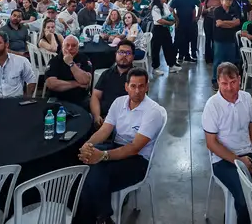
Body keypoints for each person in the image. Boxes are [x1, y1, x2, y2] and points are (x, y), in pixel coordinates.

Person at [76, 68, 165, 224]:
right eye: (133, 86)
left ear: (147, 87)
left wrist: (103, 156)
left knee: (94, 171)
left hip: (138, 161)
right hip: (115, 146)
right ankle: (101, 216)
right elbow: (104, 130)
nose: (137, 91)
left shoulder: (153, 112)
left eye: (141, 86)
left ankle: (96, 217)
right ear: (126, 87)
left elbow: (134, 148)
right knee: (84, 162)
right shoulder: (119, 102)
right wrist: (88, 145)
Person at [202, 62, 252, 224]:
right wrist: (239, 160)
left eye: (233, 82)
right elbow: (211, 144)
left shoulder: (246, 98)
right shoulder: (212, 105)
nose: (229, 88)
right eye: (224, 83)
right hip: (223, 160)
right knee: (244, 198)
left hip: (248, 153)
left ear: (239, 79)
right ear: (218, 83)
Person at [90, 40, 136, 127]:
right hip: (103, 118)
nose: (124, 55)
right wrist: (97, 116)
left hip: (126, 121)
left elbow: (138, 103)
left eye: (128, 53)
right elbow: (95, 96)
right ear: (116, 54)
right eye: (121, 52)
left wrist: (113, 121)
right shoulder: (106, 74)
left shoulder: (137, 77)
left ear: (133, 56)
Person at [44, 35, 93, 108]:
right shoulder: (54, 61)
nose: (70, 48)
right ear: (62, 47)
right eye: (67, 45)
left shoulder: (84, 59)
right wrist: (77, 84)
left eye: (73, 46)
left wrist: (71, 63)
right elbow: (51, 84)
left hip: (80, 98)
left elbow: (85, 80)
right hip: (58, 98)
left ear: (78, 48)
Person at [212, 0, 241, 90]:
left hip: (231, 39)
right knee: (218, 61)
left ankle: (229, 79)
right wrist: (231, 24)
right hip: (219, 39)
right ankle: (215, 80)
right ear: (222, 0)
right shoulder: (218, 10)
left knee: (230, 62)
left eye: (230, 0)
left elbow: (237, 22)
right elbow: (218, 23)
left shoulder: (234, 10)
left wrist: (225, 23)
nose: (229, 1)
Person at [170, 0, 201, 64]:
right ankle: (179, 56)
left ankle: (188, 56)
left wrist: (198, 16)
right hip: (181, 22)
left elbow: (200, 5)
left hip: (191, 21)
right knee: (179, 39)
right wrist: (176, 18)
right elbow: (171, 9)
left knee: (190, 38)